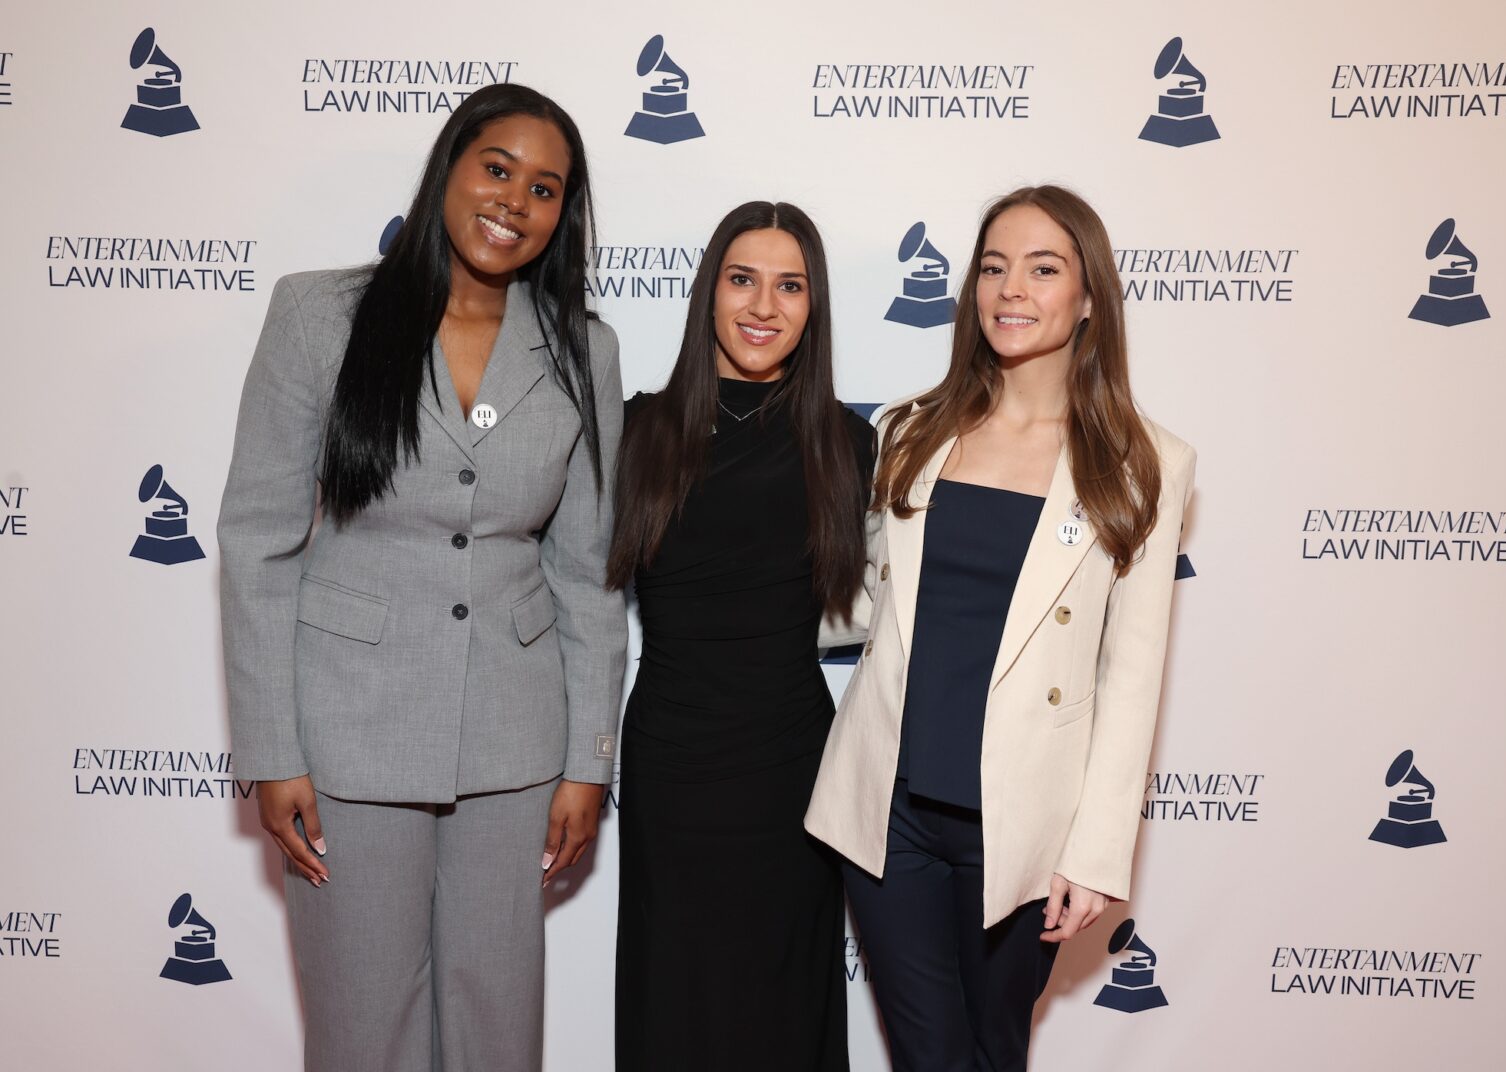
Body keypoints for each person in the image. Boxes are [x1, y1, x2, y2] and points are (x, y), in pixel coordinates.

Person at [217, 84, 625, 1072]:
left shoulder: (583, 352)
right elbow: (256, 539)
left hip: (516, 744)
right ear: (449, 167)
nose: (514, 201)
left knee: (496, 1027)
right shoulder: (320, 315)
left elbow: (588, 575)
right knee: (364, 1027)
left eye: (544, 188)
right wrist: (272, 750)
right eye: (496, 169)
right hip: (349, 732)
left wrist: (586, 759)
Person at [806, 185, 1196, 1070]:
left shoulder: (1146, 463)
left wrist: (1096, 853)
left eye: (1043, 268)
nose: (1010, 289)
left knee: (992, 1053)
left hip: (1025, 825)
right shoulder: (909, 429)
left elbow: (1132, 680)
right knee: (927, 1055)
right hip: (890, 816)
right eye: (992, 268)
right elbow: (865, 604)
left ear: (1090, 295)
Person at [606, 201, 874, 1072]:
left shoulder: (848, 441)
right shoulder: (636, 429)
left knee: (784, 1005)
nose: (764, 306)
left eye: (790, 286)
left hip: (792, 769)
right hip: (672, 767)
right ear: (708, 293)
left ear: (814, 306)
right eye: (743, 279)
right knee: (672, 997)